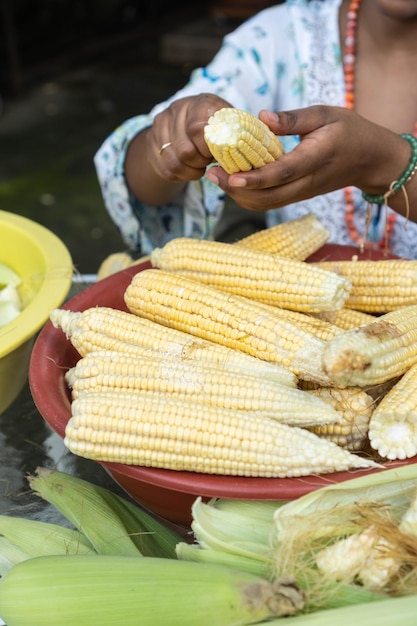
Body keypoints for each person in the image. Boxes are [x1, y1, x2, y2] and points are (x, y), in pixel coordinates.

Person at [94, 0, 417, 259]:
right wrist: (167, 146)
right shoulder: (279, 38)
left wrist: (385, 163)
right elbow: (135, 174)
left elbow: (382, 162)